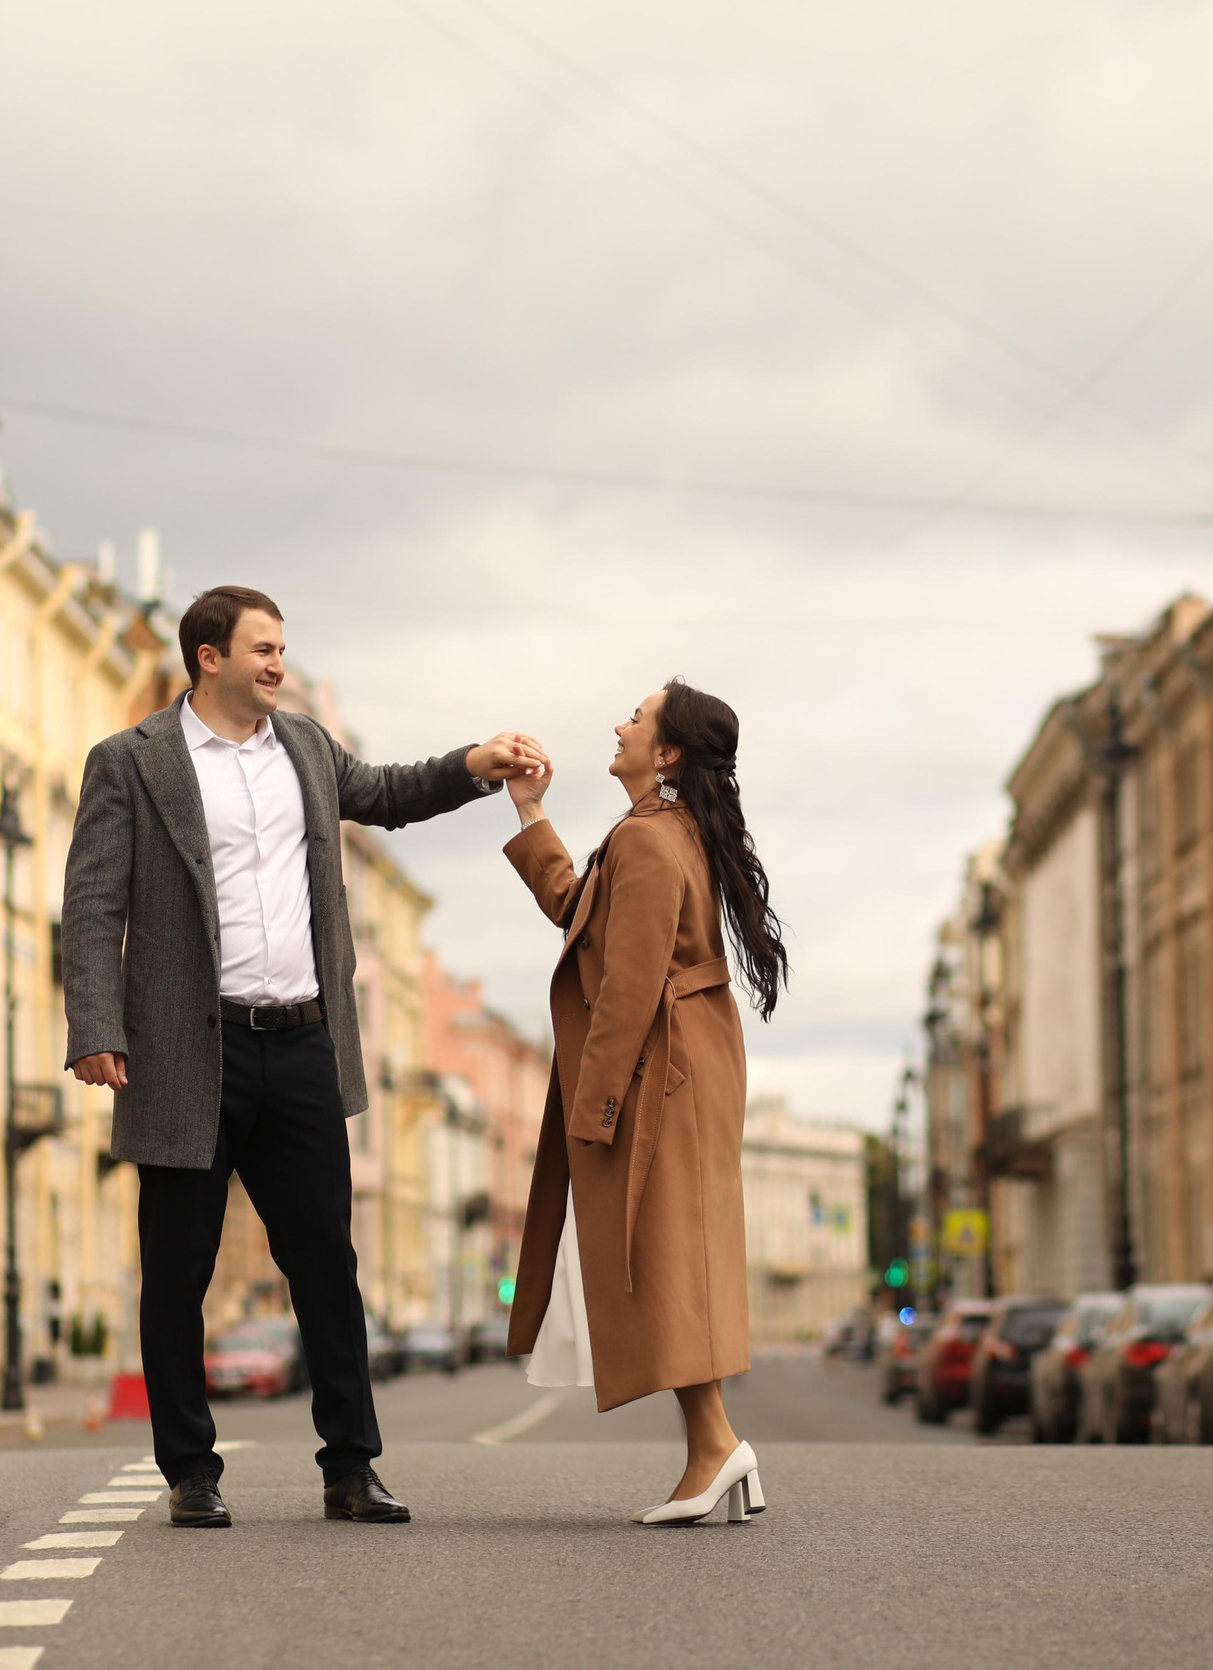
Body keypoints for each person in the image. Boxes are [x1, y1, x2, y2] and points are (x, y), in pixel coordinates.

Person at [61, 584, 544, 1529]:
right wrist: (96, 1025)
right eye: (263, 649)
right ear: (209, 657)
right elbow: (92, 900)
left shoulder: (308, 752)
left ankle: (351, 1467)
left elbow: (393, 794)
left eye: (282, 649)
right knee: (179, 1270)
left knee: (325, 1262)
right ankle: (191, 1472)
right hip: (183, 1052)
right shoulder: (132, 761)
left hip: (300, 1046)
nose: (278, 664)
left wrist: (476, 765)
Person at [500, 679, 788, 1525]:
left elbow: (628, 986)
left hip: (664, 1066)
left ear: (665, 753)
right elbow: (575, 907)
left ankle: (715, 1450)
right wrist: (529, 810)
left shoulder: (653, 842)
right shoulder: (650, 834)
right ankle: (717, 1447)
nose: (618, 723)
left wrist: (594, 1109)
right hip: (679, 1059)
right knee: (671, 1261)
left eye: (636, 715)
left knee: (666, 1260)